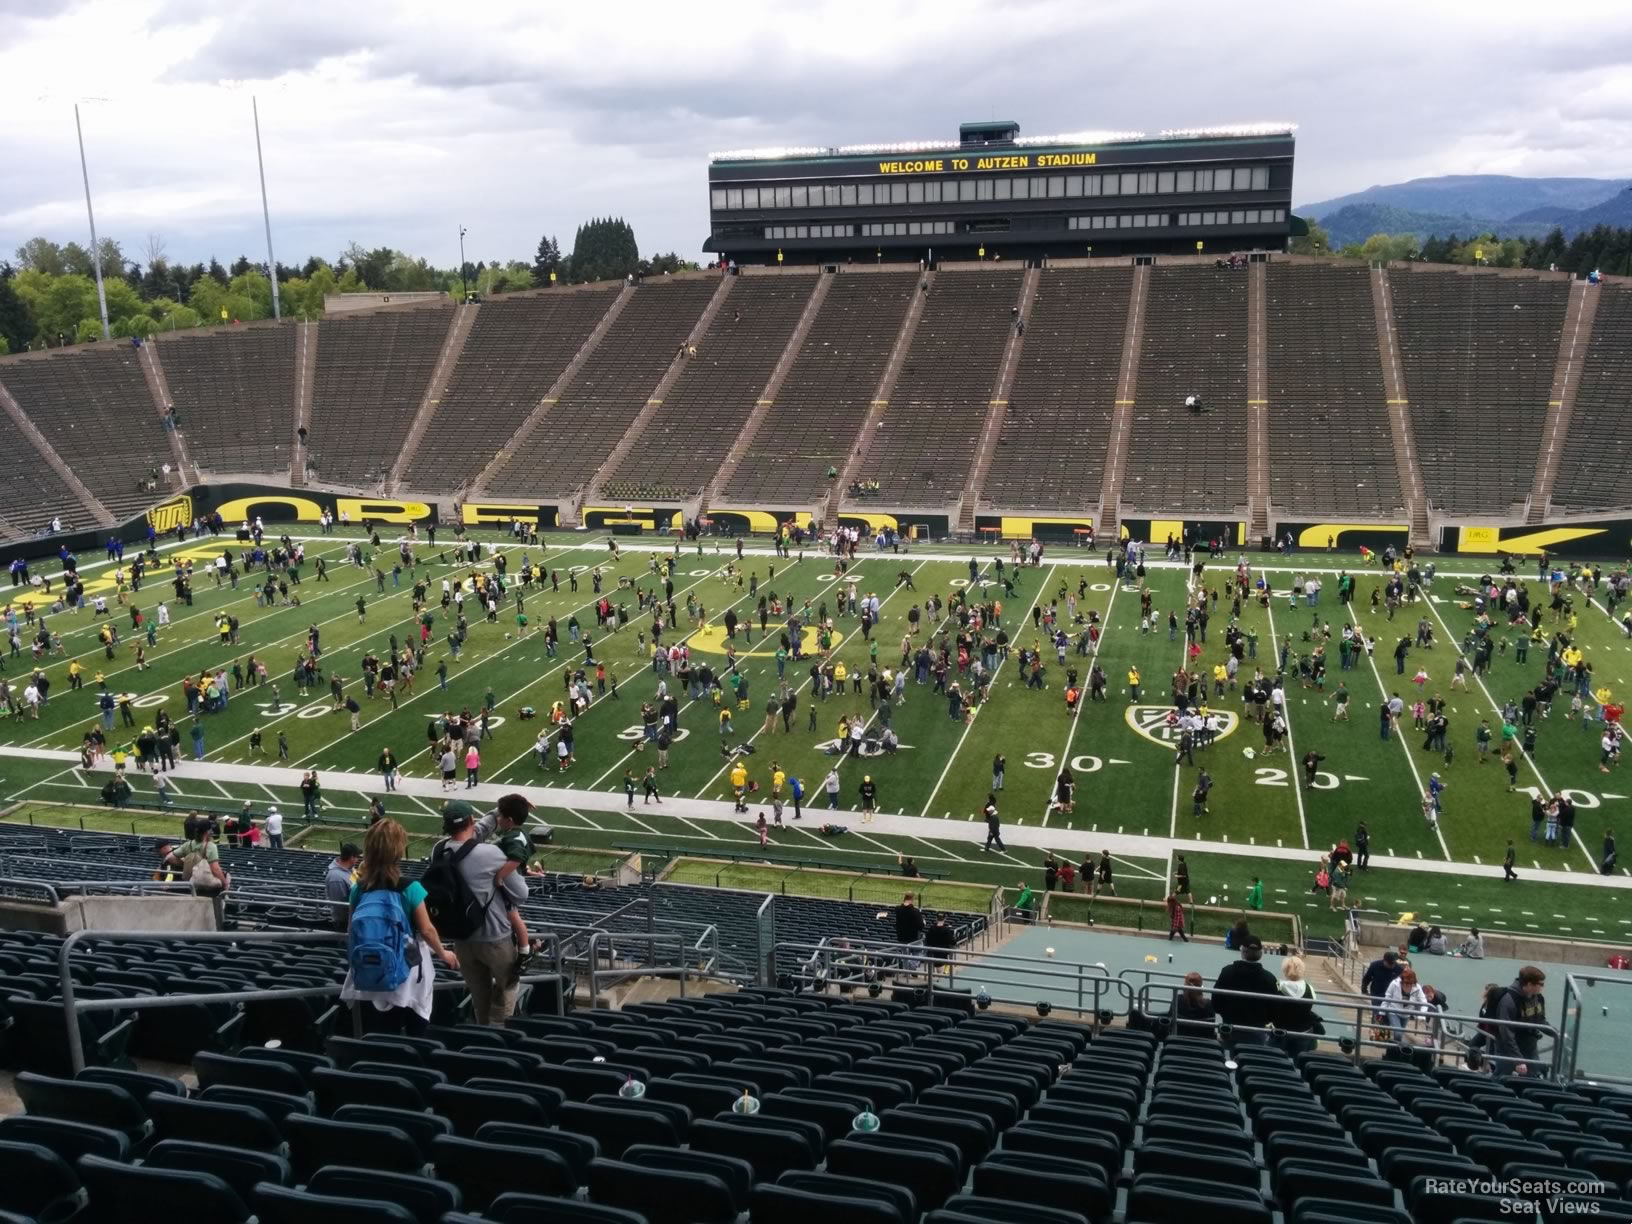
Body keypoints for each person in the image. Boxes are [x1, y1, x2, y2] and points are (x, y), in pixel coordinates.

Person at [341, 819, 459, 1036]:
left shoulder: (359, 889)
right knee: (416, 1025)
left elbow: (351, 930)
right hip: (408, 968)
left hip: (371, 968)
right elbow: (426, 930)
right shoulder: (411, 888)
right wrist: (444, 953)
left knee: (384, 1029)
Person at [427, 800, 528, 1026]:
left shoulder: (438, 850)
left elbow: (470, 840)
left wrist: (497, 811)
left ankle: (483, 1034)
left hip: (461, 938)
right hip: (494, 937)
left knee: (479, 996)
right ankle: (501, 1038)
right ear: (471, 820)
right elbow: (521, 894)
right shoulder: (491, 854)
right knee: (507, 989)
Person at [1211, 934, 1281, 1045]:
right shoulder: (1270, 979)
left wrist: (1226, 1015)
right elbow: (1275, 1009)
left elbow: (1215, 1002)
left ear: (1241, 950)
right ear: (1260, 953)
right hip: (1257, 1031)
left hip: (1229, 1029)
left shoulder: (1227, 972)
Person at [1492, 965, 1550, 1077]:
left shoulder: (1538, 998)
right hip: (1507, 1050)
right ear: (1529, 984)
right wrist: (1518, 1060)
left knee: (1532, 1078)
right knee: (1502, 1078)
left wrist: (1556, 1033)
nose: (1543, 987)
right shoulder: (1508, 1001)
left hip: (1529, 1047)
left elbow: (1540, 1020)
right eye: (1541, 984)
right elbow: (1506, 1034)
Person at [160, 817, 229, 895]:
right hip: (206, 886)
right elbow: (215, 869)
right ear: (207, 832)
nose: (212, 831)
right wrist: (225, 883)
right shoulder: (210, 846)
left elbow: (170, 857)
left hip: (191, 883)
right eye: (211, 830)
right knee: (227, 877)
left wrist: (185, 864)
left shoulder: (188, 844)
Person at [1276, 955, 1322, 1056]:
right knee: (1299, 1060)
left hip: (1281, 1031)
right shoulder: (1309, 988)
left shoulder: (1278, 986)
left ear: (1284, 970)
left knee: (1277, 1058)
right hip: (1303, 1031)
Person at [1382, 966, 1430, 1043]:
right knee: (1398, 1033)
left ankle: (1393, 1048)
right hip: (1393, 1011)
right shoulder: (1394, 984)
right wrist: (1382, 1012)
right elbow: (1388, 996)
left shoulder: (1417, 988)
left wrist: (1422, 1014)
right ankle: (1395, 1050)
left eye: (1411, 983)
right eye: (1406, 982)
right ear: (1402, 980)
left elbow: (1423, 1001)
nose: (1408, 985)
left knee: (1400, 1033)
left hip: (1406, 1014)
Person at [326, 842, 361, 930]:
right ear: (352, 858)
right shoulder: (336, 878)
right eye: (357, 857)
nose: (357, 860)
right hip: (345, 922)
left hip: (354, 916)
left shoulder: (350, 869)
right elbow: (340, 906)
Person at [1172, 970, 1216, 1036]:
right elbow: (1211, 1029)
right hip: (1203, 1042)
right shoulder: (1209, 1005)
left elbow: (1170, 1020)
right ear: (1201, 987)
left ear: (1184, 986)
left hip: (1178, 1039)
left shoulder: (1177, 1000)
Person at [895, 892, 925, 968]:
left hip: (901, 937)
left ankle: (907, 970)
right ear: (912, 899)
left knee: (905, 955)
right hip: (913, 938)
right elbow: (920, 926)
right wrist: (923, 922)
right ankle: (911, 967)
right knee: (920, 950)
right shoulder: (915, 911)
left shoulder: (898, 909)